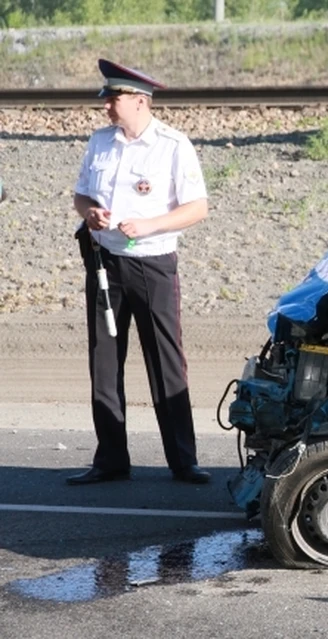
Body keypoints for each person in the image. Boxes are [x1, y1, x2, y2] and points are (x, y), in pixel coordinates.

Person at [68, 59, 211, 485]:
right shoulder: (101, 142)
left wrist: (149, 225)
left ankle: (183, 461)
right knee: (104, 362)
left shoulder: (172, 144)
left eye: (114, 99)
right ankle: (111, 458)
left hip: (152, 263)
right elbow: (80, 196)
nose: (107, 106)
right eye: (108, 99)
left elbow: (197, 208)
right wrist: (89, 213)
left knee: (165, 362)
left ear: (140, 100)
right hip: (105, 263)